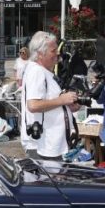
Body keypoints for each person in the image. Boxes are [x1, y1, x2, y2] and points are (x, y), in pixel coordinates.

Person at [20, 31, 79, 162]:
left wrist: (67, 104)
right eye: (53, 50)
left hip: (49, 145)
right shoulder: (36, 71)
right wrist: (62, 100)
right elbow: (33, 105)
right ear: (40, 54)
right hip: (42, 146)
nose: (57, 53)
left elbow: (48, 102)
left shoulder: (42, 72)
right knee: (45, 181)